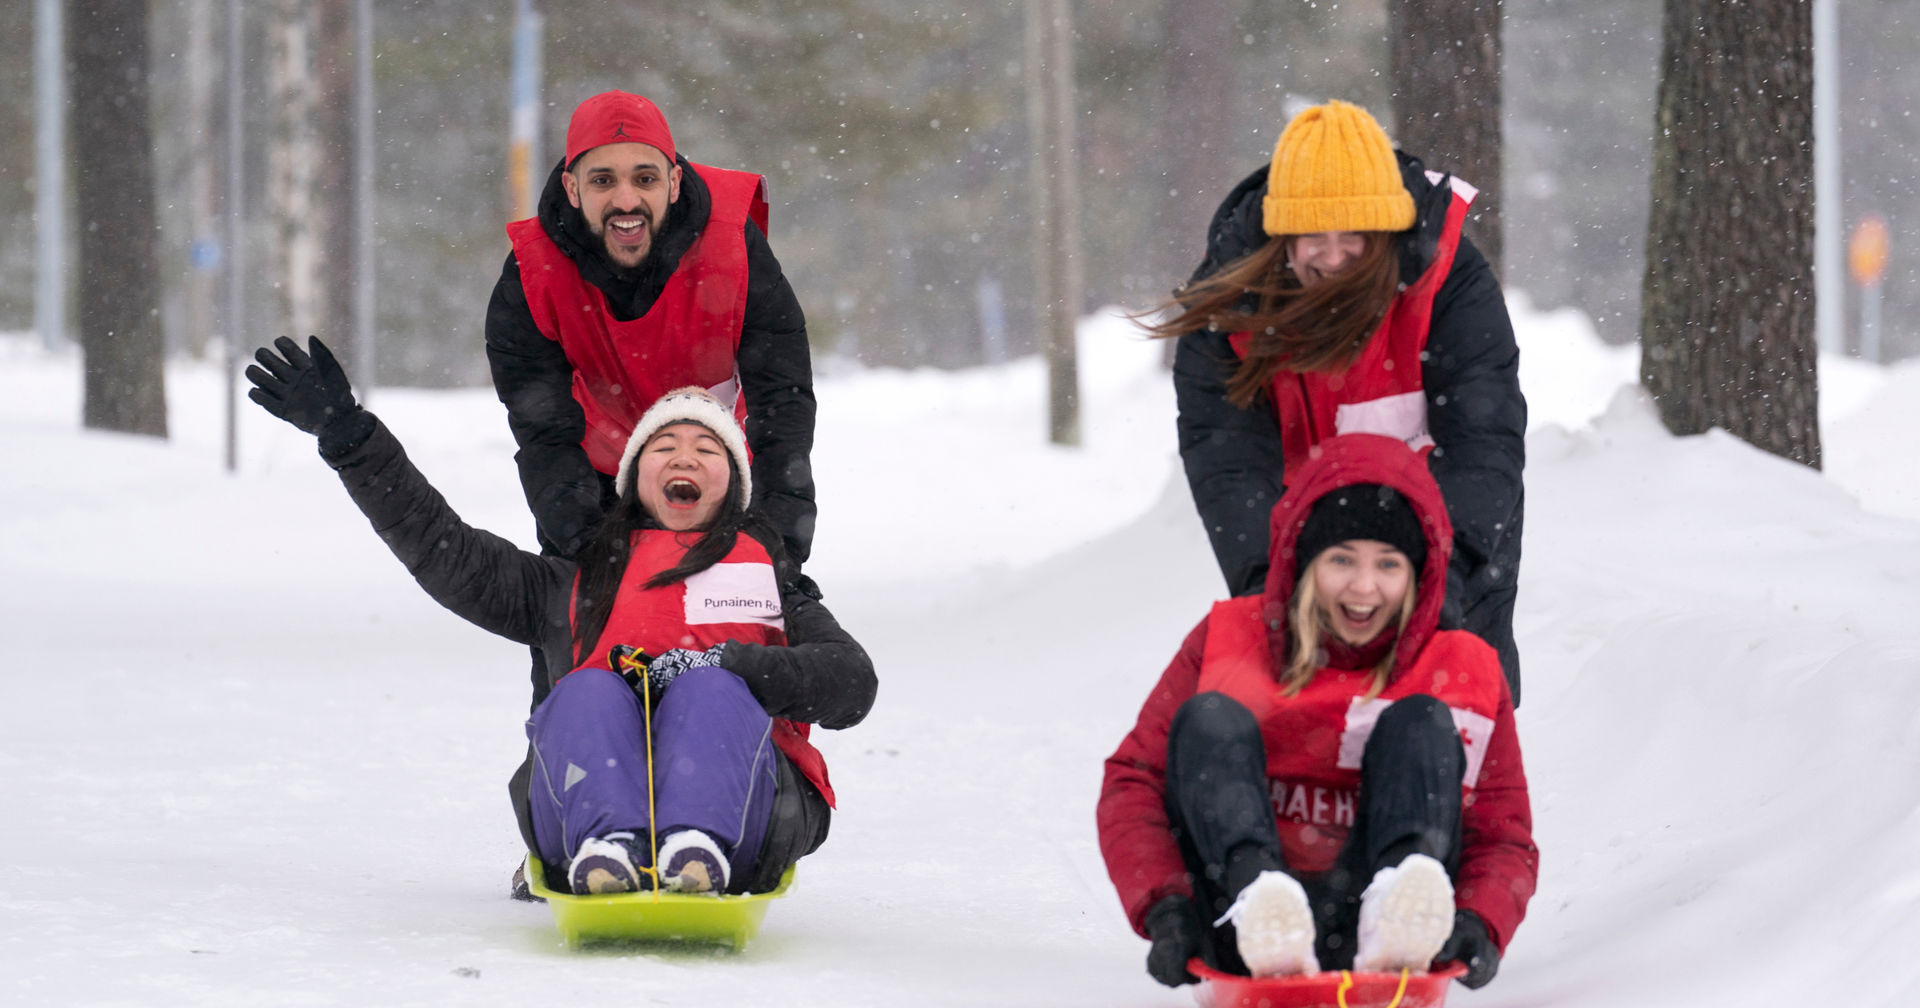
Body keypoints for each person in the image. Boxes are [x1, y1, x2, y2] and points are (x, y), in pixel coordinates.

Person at [246, 336, 874, 897]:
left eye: (707, 447)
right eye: (664, 445)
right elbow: (448, 552)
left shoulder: (770, 586)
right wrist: (352, 439)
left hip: (750, 812)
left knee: (711, 689)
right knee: (589, 690)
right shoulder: (576, 584)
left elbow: (851, 683)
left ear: (732, 486)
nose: (685, 456)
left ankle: (698, 850)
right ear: (634, 481)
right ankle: (608, 847)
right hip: (582, 812)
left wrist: (738, 668)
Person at [1096, 433, 1534, 990]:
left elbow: (1503, 829)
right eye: (1341, 559)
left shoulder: (1463, 667)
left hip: (1389, 922)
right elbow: (1134, 781)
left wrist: (1479, 920)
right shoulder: (1229, 641)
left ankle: (1397, 906)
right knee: (1210, 719)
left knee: (1421, 722)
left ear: (1419, 574)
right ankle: (1263, 905)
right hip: (1241, 912)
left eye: (1388, 564)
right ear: (1305, 563)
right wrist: (1167, 906)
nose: (1364, 586)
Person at [1147, 99, 1527, 703]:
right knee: (1309, 744)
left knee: (1452, 729)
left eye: (1354, 234)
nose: (1332, 254)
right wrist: (1265, 589)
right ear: (1281, 236)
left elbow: (1485, 442)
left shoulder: (1449, 277)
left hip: (1450, 546)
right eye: (1312, 236)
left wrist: (1435, 583)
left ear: (1389, 228)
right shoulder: (1230, 305)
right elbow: (1228, 461)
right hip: (1305, 557)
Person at [486, 89, 819, 711]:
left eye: (643, 177)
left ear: (673, 179)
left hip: (716, 479)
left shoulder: (733, 246)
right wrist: (590, 550)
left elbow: (784, 402)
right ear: (572, 186)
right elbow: (544, 432)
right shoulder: (531, 274)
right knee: (581, 658)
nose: (626, 200)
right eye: (603, 180)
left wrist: (778, 540)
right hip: (597, 479)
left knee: (735, 655)